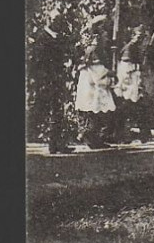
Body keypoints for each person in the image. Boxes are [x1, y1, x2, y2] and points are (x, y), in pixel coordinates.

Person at [31, 8, 74, 154]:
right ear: (51, 21)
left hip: (57, 79)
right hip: (48, 81)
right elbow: (38, 63)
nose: (60, 24)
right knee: (48, 110)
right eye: (57, 20)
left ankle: (56, 144)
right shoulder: (42, 38)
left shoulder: (58, 37)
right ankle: (50, 142)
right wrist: (45, 80)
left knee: (57, 110)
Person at [74, 15, 116, 149]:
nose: (106, 34)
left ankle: (94, 138)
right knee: (96, 108)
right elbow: (95, 65)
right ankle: (92, 138)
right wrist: (109, 72)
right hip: (93, 80)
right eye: (103, 30)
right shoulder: (95, 46)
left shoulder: (93, 45)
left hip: (92, 78)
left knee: (96, 110)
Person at [114, 24, 152, 143]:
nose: (140, 39)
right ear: (132, 36)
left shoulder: (137, 48)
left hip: (134, 84)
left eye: (142, 37)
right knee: (130, 108)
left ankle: (144, 135)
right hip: (129, 84)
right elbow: (127, 68)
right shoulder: (129, 49)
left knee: (139, 108)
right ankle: (124, 135)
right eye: (138, 36)